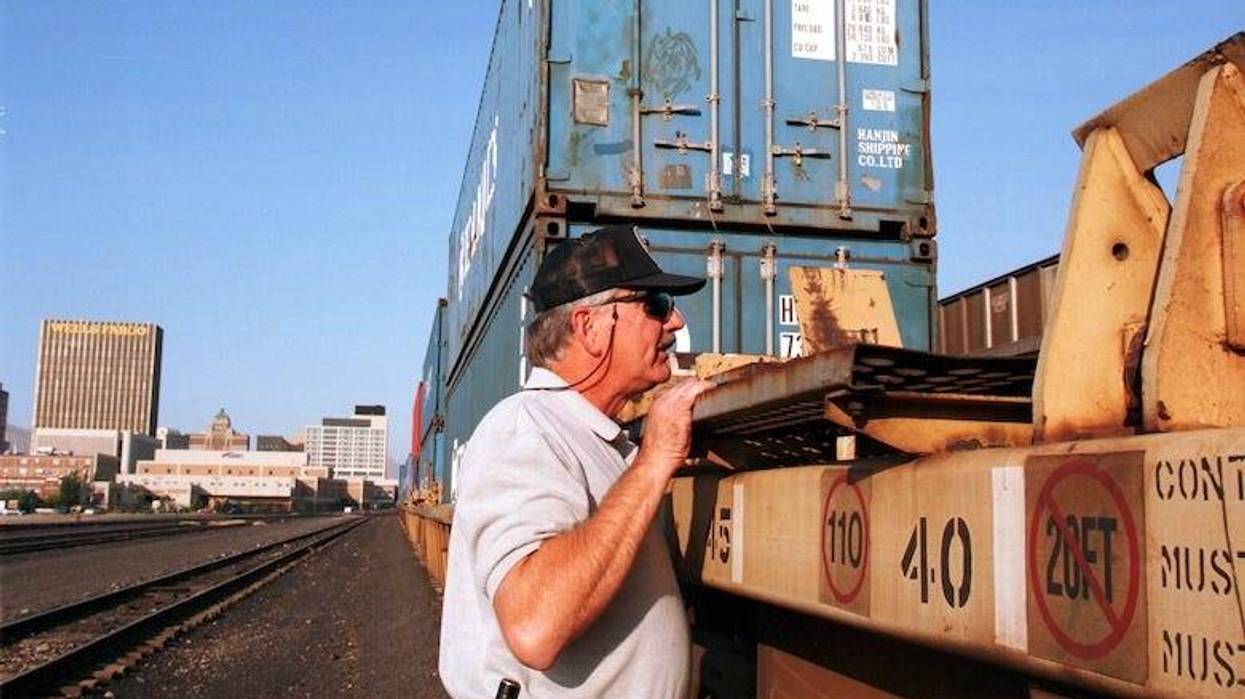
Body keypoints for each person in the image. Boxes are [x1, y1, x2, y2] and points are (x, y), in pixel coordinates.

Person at [438, 225, 714, 699]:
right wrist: (654, 462)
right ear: (590, 327)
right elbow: (535, 626)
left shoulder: (595, 439)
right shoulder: (525, 429)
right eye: (655, 304)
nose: (675, 321)